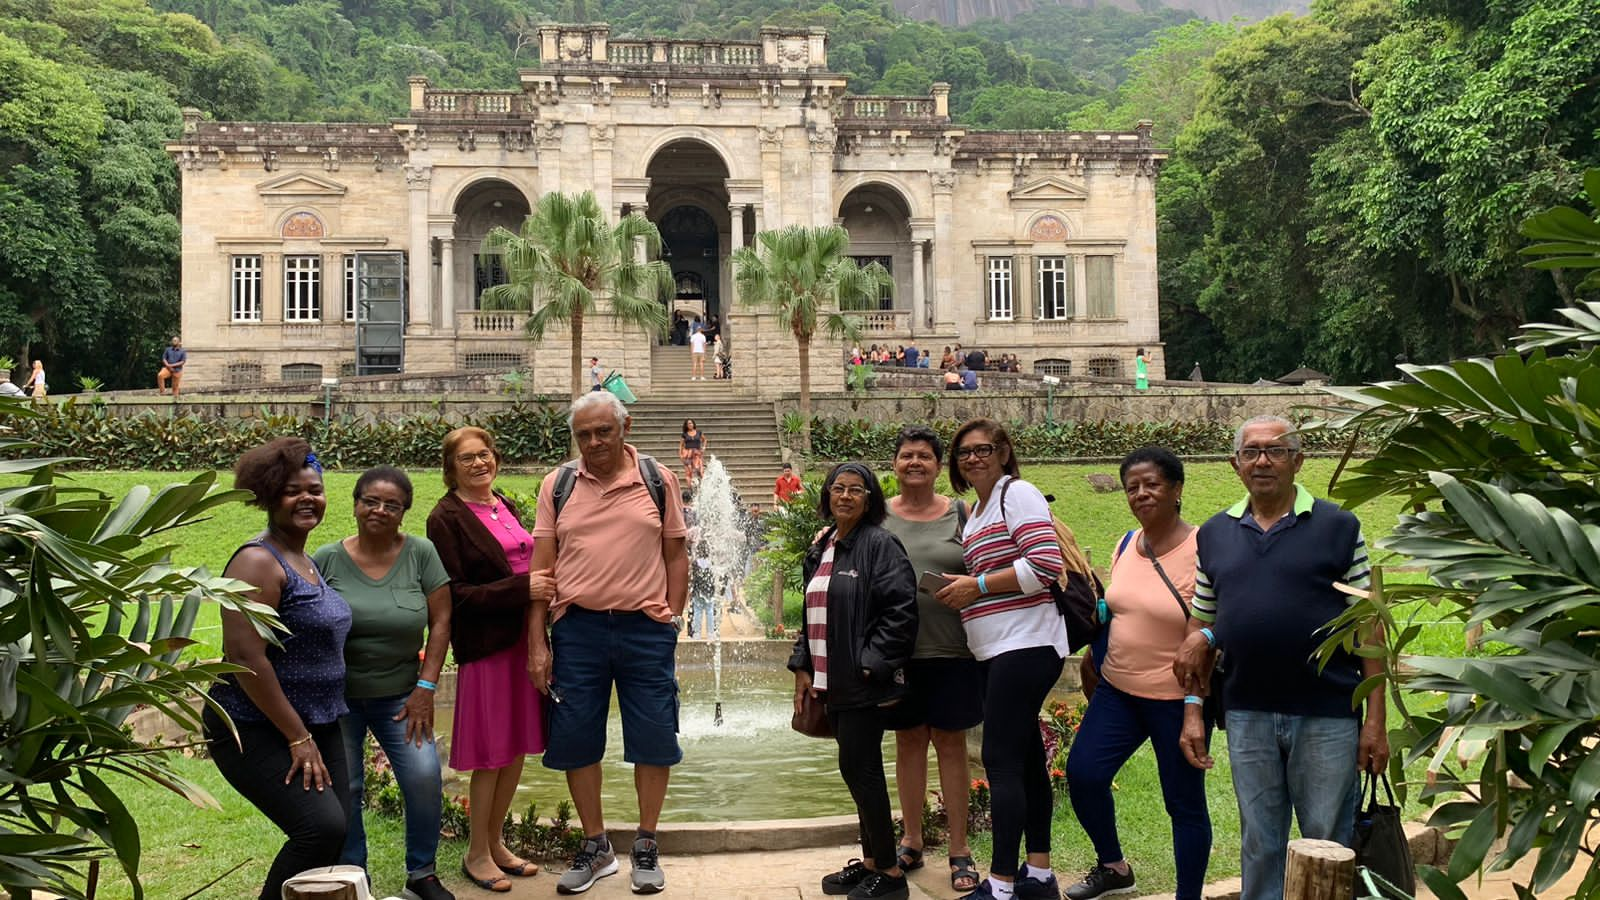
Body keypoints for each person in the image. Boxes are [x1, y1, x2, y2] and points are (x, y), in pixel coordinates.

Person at [1172, 415, 1385, 900]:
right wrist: (1192, 709)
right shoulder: (1214, 534)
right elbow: (1201, 621)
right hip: (1247, 712)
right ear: (1235, 464)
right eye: (1251, 451)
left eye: (1276, 450)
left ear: (1298, 460)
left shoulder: (1338, 526)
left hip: (1328, 713)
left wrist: (1375, 721)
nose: (1262, 460)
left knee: (1326, 844)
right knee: (1260, 843)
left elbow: (1368, 625)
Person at [529, 391, 689, 895]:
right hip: (578, 630)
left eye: (603, 431)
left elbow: (677, 553)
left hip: (645, 629)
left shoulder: (657, 479)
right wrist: (538, 640)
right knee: (575, 737)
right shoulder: (558, 484)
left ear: (625, 427)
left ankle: (645, 843)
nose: (594, 442)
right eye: (583, 434)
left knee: (655, 737)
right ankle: (596, 846)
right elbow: (542, 568)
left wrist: (673, 617)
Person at [203, 438, 353, 900]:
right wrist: (297, 737)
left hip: (318, 720)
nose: (308, 498)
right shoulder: (257, 561)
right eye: (293, 491)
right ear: (270, 497)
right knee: (320, 829)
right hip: (254, 725)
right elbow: (247, 660)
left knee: (336, 834)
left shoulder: (305, 561)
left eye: (315, 489)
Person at [1063, 447, 1209, 900]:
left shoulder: (1204, 548)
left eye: (1152, 484)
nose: (1141, 494)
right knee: (1083, 775)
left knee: (1183, 804)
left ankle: (1188, 895)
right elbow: (1117, 610)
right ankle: (1114, 867)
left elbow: (1207, 629)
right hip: (1118, 691)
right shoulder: (1127, 543)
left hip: (1175, 698)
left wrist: (1193, 710)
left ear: (1177, 489)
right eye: (1133, 487)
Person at [935, 419, 1068, 900]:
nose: (973, 458)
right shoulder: (977, 510)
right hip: (994, 647)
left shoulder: (1019, 494)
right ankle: (1039, 875)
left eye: (983, 449)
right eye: (964, 452)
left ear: (1004, 452)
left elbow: (1046, 565)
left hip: (1026, 643)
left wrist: (979, 585)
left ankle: (1002, 884)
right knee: (1029, 759)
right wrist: (964, 587)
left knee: (1000, 760)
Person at [314, 468, 455, 900]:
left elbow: (442, 620)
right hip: (339, 700)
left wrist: (426, 689)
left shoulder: (420, 553)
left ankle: (422, 874)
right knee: (348, 787)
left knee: (424, 778)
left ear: (403, 512)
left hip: (402, 696)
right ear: (355, 504)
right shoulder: (326, 559)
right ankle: (355, 875)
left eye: (391, 505)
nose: (379, 510)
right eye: (370, 501)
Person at [425, 427, 552, 893]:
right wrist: (524, 589)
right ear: (450, 468)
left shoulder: (504, 505)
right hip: (486, 647)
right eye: (467, 459)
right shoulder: (446, 517)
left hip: (524, 640)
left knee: (516, 747)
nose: (480, 464)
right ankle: (476, 853)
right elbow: (455, 595)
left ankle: (495, 842)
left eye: (485, 455)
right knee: (490, 754)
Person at [791, 462, 918, 900]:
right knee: (854, 770)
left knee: (860, 770)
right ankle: (870, 862)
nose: (845, 496)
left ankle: (890, 872)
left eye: (856, 490)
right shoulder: (825, 545)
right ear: (826, 496)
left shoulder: (880, 545)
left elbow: (900, 610)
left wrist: (872, 665)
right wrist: (802, 667)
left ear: (869, 499)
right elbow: (810, 617)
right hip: (829, 678)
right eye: (838, 489)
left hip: (860, 681)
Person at [881, 428, 982, 892]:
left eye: (924, 456)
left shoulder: (961, 513)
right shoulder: (878, 516)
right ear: (895, 465)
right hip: (899, 651)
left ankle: (960, 848)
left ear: (940, 466)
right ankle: (913, 839)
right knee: (907, 742)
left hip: (953, 649)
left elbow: (983, 571)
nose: (914, 462)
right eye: (906, 456)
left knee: (951, 743)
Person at [679, 418, 706, 486]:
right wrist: (680, 455)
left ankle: (701, 487)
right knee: (689, 472)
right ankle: (691, 489)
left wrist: (704, 447)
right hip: (688, 455)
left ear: (693, 424)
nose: (690, 425)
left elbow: (704, 440)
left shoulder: (699, 432)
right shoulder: (684, 434)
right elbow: (681, 445)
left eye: (691, 423)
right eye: (688, 423)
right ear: (686, 425)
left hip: (697, 454)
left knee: (700, 471)